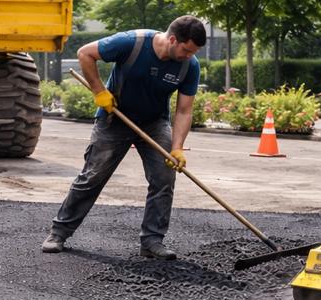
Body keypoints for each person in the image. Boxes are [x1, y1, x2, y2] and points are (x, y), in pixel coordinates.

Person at [41, 15, 205, 260]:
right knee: (93, 176)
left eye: (194, 52)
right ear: (172, 39)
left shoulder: (189, 66)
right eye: (186, 50)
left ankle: (152, 241)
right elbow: (86, 53)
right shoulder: (132, 43)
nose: (189, 56)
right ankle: (59, 232)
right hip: (115, 117)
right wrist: (99, 91)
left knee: (164, 177)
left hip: (154, 122)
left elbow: (184, 110)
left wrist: (177, 148)